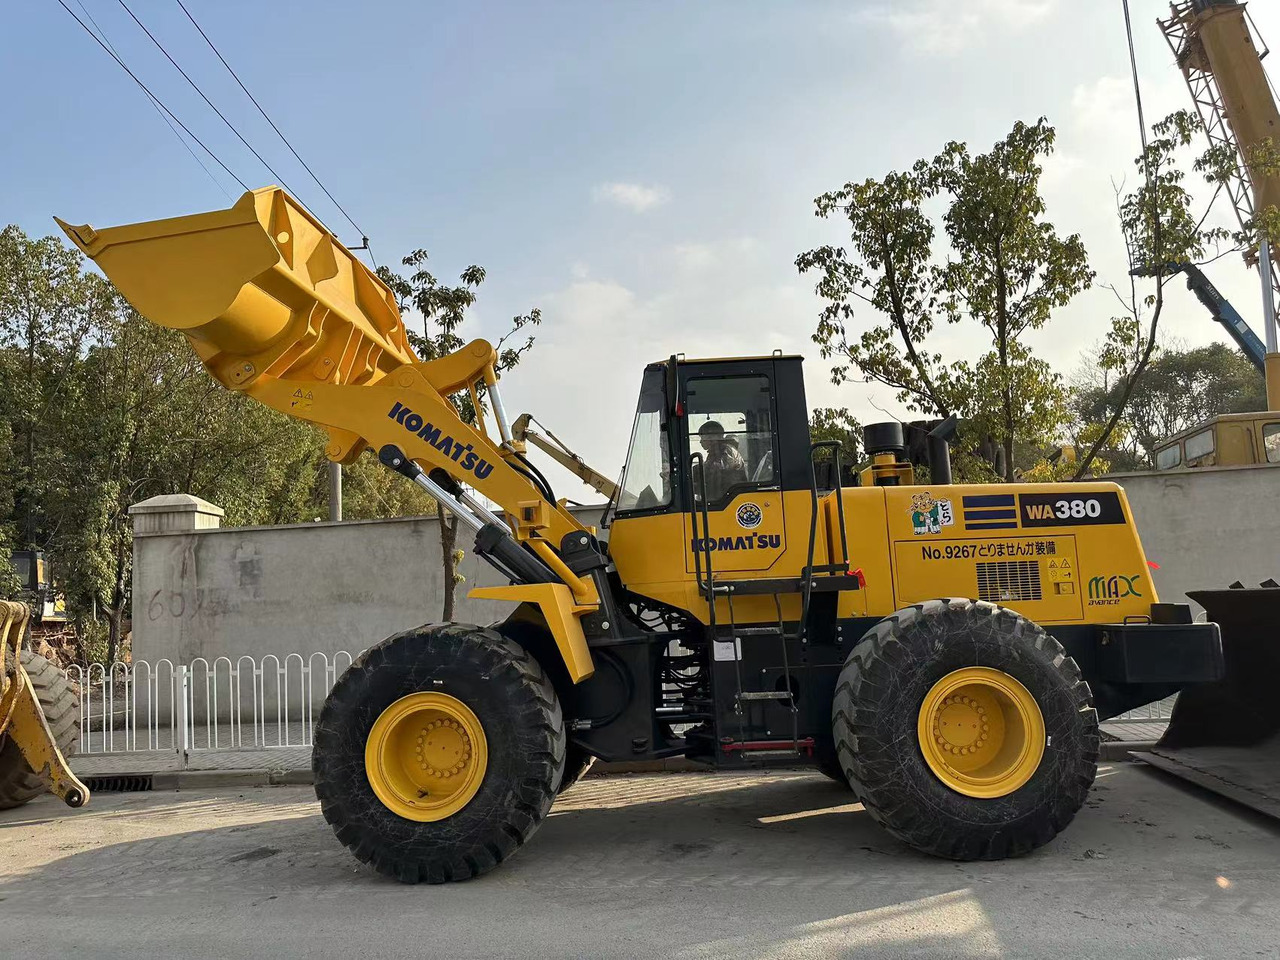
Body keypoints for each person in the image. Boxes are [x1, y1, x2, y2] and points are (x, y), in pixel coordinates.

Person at [696, 420, 747, 501]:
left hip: (730, 497)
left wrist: (698, 469)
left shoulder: (727, 450)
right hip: (723, 495)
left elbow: (720, 469)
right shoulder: (714, 452)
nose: (700, 441)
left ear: (711, 437)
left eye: (703, 438)